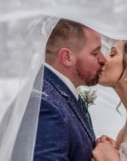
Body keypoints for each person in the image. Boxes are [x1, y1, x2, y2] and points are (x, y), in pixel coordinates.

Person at [32, 18, 107, 160]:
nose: (103, 59)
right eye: (95, 53)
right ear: (67, 57)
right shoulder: (46, 106)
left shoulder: (55, 92)